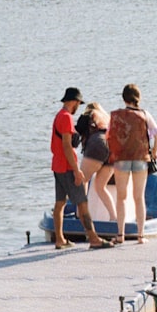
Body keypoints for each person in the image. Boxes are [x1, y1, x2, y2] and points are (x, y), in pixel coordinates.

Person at [50, 87, 113, 250]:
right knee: (82, 203)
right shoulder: (66, 118)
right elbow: (66, 145)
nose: (79, 105)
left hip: (57, 165)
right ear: (74, 101)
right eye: (78, 102)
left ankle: (60, 239)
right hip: (66, 167)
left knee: (60, 203)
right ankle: (93, 239)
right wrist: (76, 170)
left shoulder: (59, 116)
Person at [107, 84, 157, 244]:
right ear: (139, 98)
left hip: (121, 159)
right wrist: (154, 152)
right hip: (140, 159)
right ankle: (140, 236)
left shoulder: (115, 115)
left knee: (121, 197)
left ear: (124, 98)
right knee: (139, 198)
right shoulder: (145, 115)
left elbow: (108, 136)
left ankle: (120, 235)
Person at [77, 102, 116, 224]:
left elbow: (80, 134)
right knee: (100, 186)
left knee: (81, 179)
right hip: (113, 147)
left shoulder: (89, 115)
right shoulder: (107, 117)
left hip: (97, 143)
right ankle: (113, 217)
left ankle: (81, 215)